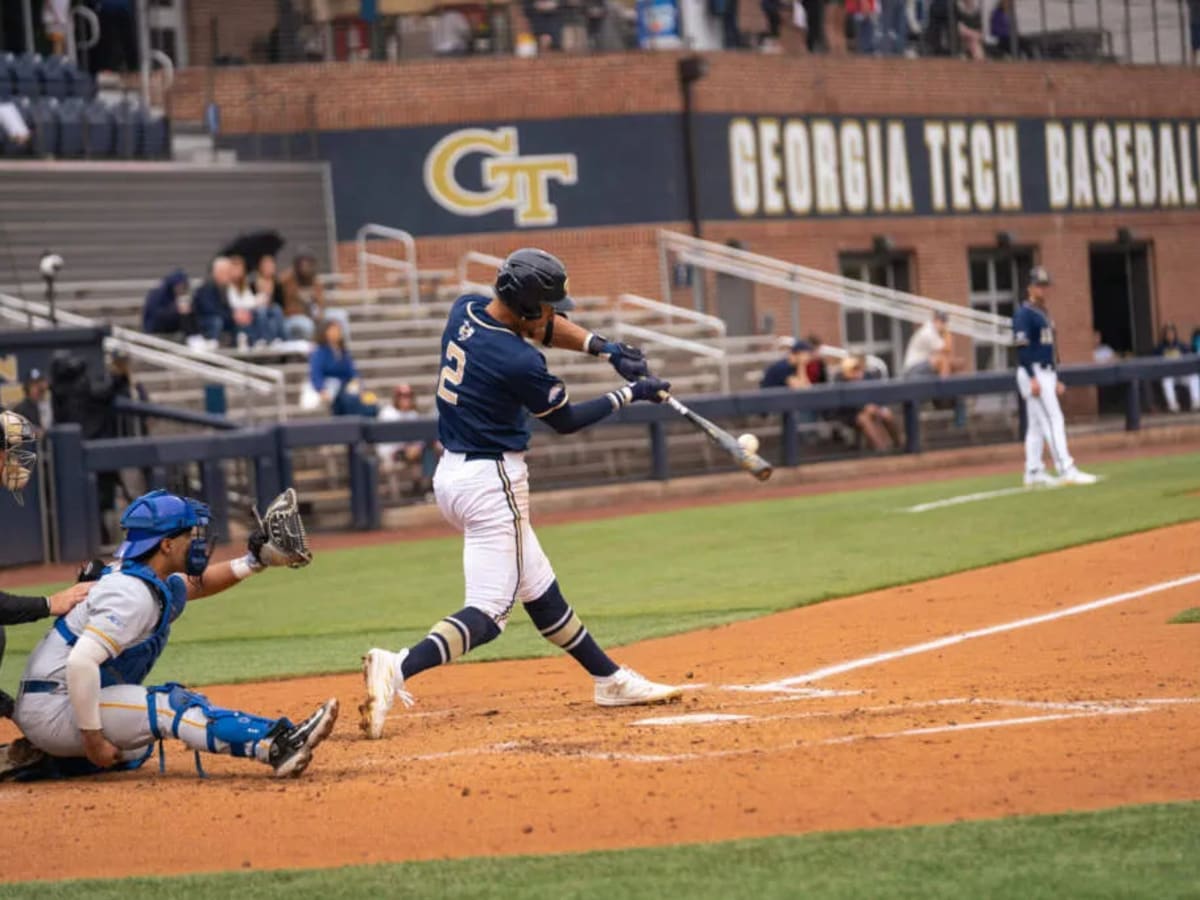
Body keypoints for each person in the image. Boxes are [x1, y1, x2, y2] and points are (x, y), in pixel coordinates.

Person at [359, 248, 681, 740]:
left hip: (453, 475)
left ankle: (609, 679)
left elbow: (541, 325)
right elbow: (567, 421)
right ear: (529, 304)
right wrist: (631, 394)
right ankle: (398, 666)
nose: (555, 313)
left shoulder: (465, 309)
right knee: (489, 612)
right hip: (493, 481)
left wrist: (607, 348)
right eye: (549, 304)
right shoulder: (519, 361)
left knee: (540, 591)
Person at [1, 489, 338, 781]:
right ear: (165, 544)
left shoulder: (145, 577)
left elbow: (195, 584)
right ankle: (277, 744)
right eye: (190, 535)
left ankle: (49, 760)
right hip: (55, 706)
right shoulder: (130, 593)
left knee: (138, 742)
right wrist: (92, 740)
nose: (198, 541)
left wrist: (255, 561)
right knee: (170, 707)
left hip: (57, 701)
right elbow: (80, 663)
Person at [1013, 266, 1096, 487]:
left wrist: (1055, 377)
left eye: (1045, 285)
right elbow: (1022, 348)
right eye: (1039, 285)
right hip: (1033, 371)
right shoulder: (1023, 313)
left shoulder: (1043, 312)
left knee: (1036, 425)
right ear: (1030, 287)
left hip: (1046, 371)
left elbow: (1051, 349)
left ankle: (1033, 471)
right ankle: (1066, 468)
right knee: (1053, 419)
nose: (1043, 289)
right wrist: (1032, 377)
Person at [377, 383, 440, 498]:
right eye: (402, 396)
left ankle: (425, 487)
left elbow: (420, 438)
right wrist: (407, 448)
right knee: (421, 451)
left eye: (408, 396)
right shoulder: (388, 413)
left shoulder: (413, 414)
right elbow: (385, 442)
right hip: (391, 452)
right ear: (396, 398)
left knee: (430, 447)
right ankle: (423, 489)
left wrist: (416, 447)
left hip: (411, 451)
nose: (406, 399)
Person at [308, 319, 376, 417]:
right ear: (325, 332)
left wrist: (358, 383)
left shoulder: (344, 352)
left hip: (346, 388)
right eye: (333, 330)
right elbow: (316, 373)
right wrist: (321, 389)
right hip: (331, 389)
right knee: (347, 400)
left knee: (368, 402)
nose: (336, 333)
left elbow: (353, 372)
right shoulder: (319, 352)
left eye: (338, 330)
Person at [833, 355, 902, 451]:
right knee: (864, 419)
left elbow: (879, 395)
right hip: (851, 413)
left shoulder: (869, 376)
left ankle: (899, 444)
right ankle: (881, 449)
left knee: (887, 414)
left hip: (874, 407)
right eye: (853, 370)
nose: (856, 372)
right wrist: (864, 408)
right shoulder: (841, 380)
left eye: (858, 368)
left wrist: (877, 406)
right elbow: (844, 405)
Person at [280, 249, 348, 341]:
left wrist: (319, 312)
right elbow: (285, 306)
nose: (305, 267)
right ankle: (314, 352)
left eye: (308, 264)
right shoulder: (287, 280)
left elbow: (321, 303)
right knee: (307, 325)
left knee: (341, 315)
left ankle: (342, 350)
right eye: (302, 264)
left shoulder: (315, 281)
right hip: (294, 317)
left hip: (314, 315)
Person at [1154, 323, 1200, 414]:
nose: (1170, 335)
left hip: (1181, 374)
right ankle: (1173, 406)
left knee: (1193, 376)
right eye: (1168, 333)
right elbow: (1155, 362)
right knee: (1166, 381)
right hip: (1169, 375)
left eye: (1172, 333)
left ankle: (1196, 403)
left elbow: (1190, 356)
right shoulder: (1160, 348)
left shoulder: (1181, 345)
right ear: (1164, 335)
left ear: (1175, 334)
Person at [903, 311, 963, 378]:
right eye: (941, 321)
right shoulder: (928, 331)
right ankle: (944, 386)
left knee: (955, 363)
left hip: (923, 367)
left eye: (944, 322)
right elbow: (946, 349)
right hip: (913, 369)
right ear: (935, 320)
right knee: (943, 360)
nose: (943, 325)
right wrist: (947, 333)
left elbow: (948, 354)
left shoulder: (934, 332)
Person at [191, 257, 235, 346]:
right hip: (203, 321)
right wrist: (232, 315)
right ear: (219, 272)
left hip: (222, 318)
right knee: (216, 321)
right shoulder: (206, 288)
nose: (230, 275)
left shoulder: (226, 288)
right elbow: (210, 310)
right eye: (228, 272)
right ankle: (211, 343)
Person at [142, 269, 194, 338]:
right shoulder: (157, 295)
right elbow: (157, 317)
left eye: (184, 287)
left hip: (172, 328)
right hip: (155, 328)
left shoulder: (179, 296)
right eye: (180, 286)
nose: (182, 290)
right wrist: (176, 309)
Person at [12, 369, 53, 434]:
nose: (38, 388)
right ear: (27, 388)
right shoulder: (20, 409)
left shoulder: (51, 405)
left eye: (39, 385)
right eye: (33, 385)